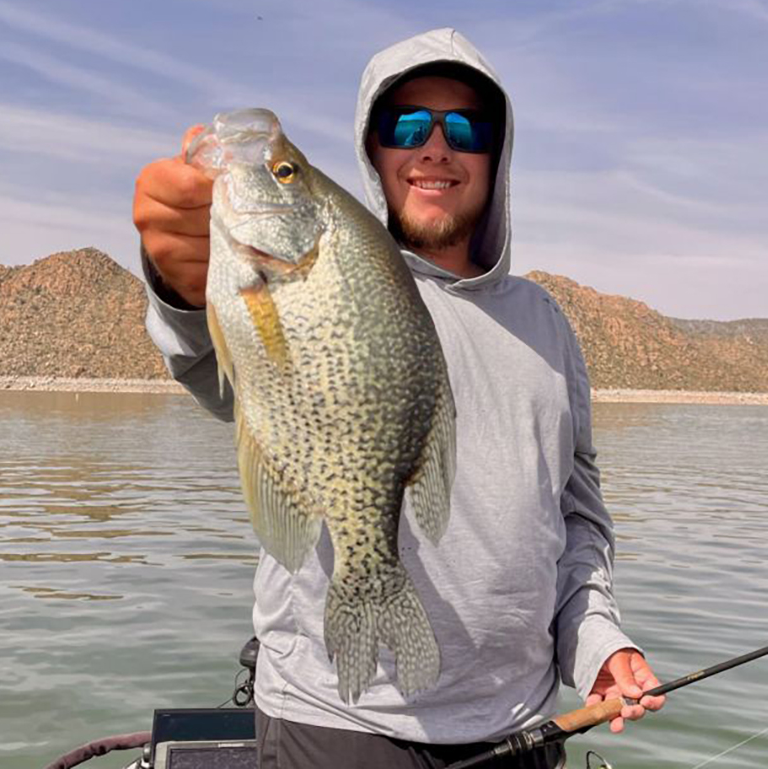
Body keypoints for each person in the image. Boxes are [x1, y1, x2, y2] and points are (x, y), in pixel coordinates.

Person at [133, 27, 665, 768]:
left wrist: (599, 642)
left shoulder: (548, 325)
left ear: (498, 154)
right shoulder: (330, 275)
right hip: (335, 717)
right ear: (373, 150)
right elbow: (210, 359)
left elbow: (576, 514)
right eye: (407, 125)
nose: (435, 148)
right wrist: (178, 281)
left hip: (519, 720)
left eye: (466, 128)